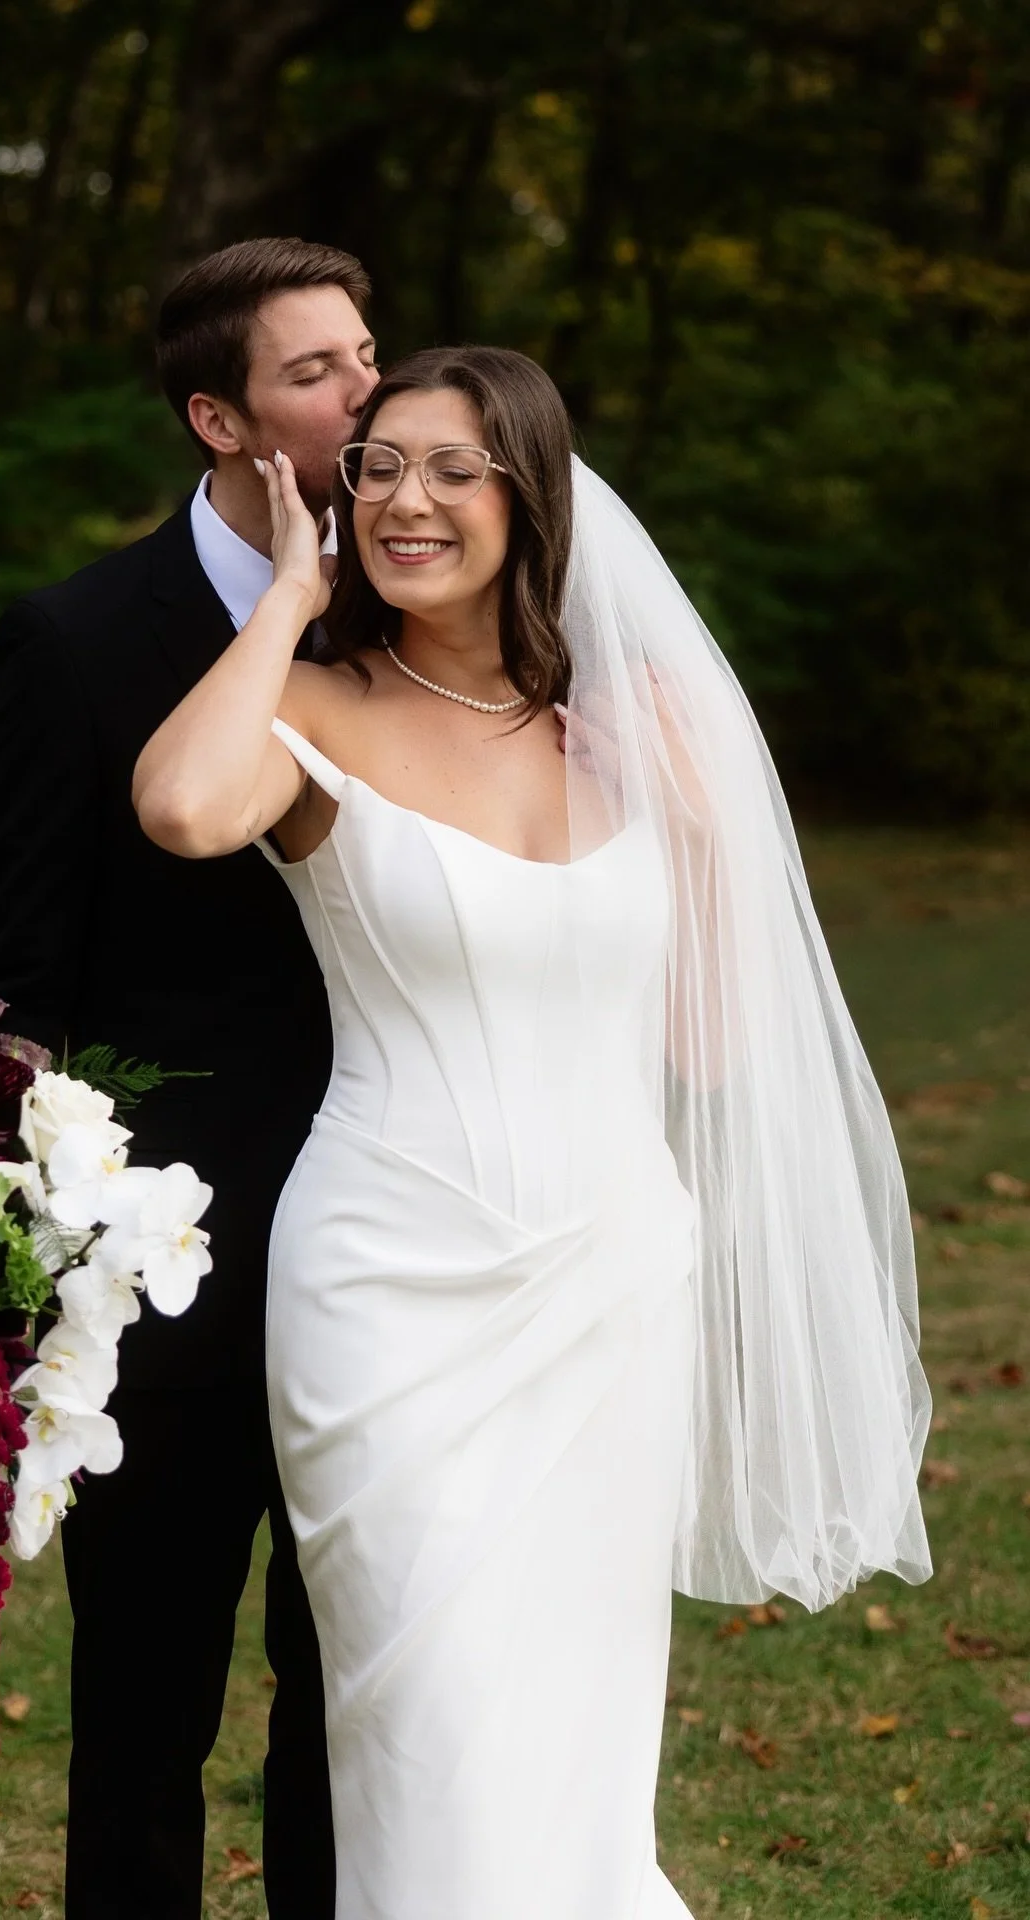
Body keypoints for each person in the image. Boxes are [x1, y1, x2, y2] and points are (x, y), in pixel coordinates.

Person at [133, 345, 932, 1918]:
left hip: (611, 1285)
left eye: (451, 468)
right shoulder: (307, 706)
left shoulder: (626, 730)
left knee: (574, 1740)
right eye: (376, 466)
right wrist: (285, 598)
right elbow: (177, 806)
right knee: (426, 1723)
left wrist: (692, 831)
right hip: (390, 1287)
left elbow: (707, 1045)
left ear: (530, 497)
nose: (405, 500)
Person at [0, 236, 379, 1920]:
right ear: (221, 417)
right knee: (144, 1710)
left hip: (394, 1240)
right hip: (164, 1269)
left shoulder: (424, 612)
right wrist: (2, 1252)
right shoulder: (73, 638)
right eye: (316, 372)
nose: (364, 389)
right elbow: (21, 980)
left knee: (350, 1697)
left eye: (366, 354)